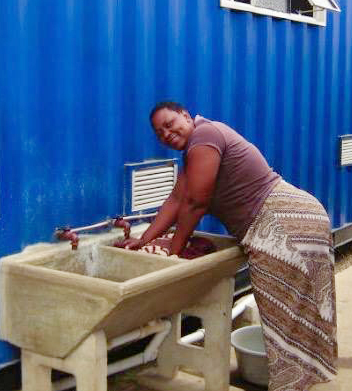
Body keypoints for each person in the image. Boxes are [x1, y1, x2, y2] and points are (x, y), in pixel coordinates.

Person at [122, 101, 338, 391]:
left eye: (170, 124)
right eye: (159, 132)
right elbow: (176, 200)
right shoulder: (196, 148)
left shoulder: (205, 136)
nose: (166, 135)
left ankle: (293, 384)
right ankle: (306, 381)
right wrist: (145, 240)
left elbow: (195, 202)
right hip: (294, 219)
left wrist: (172, 252)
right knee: (301, 312)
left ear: (186, 116)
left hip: (279, 227)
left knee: (286, 318)